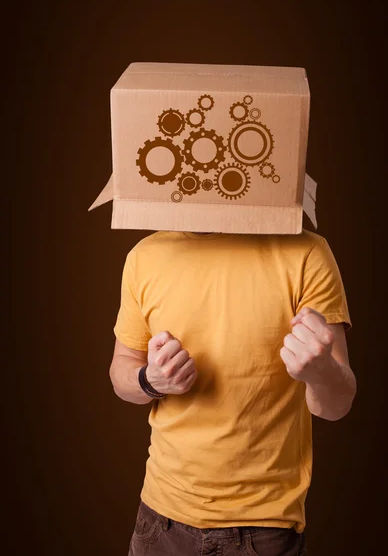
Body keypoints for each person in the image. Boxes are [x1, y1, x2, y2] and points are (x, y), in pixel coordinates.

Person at [109, 228, 356, 556]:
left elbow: (337, 405)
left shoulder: (306, 252)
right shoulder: (146, 256)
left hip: (263, 530)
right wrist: (150, 380)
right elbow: (121, 372)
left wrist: (320, 371)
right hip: (161, 520)